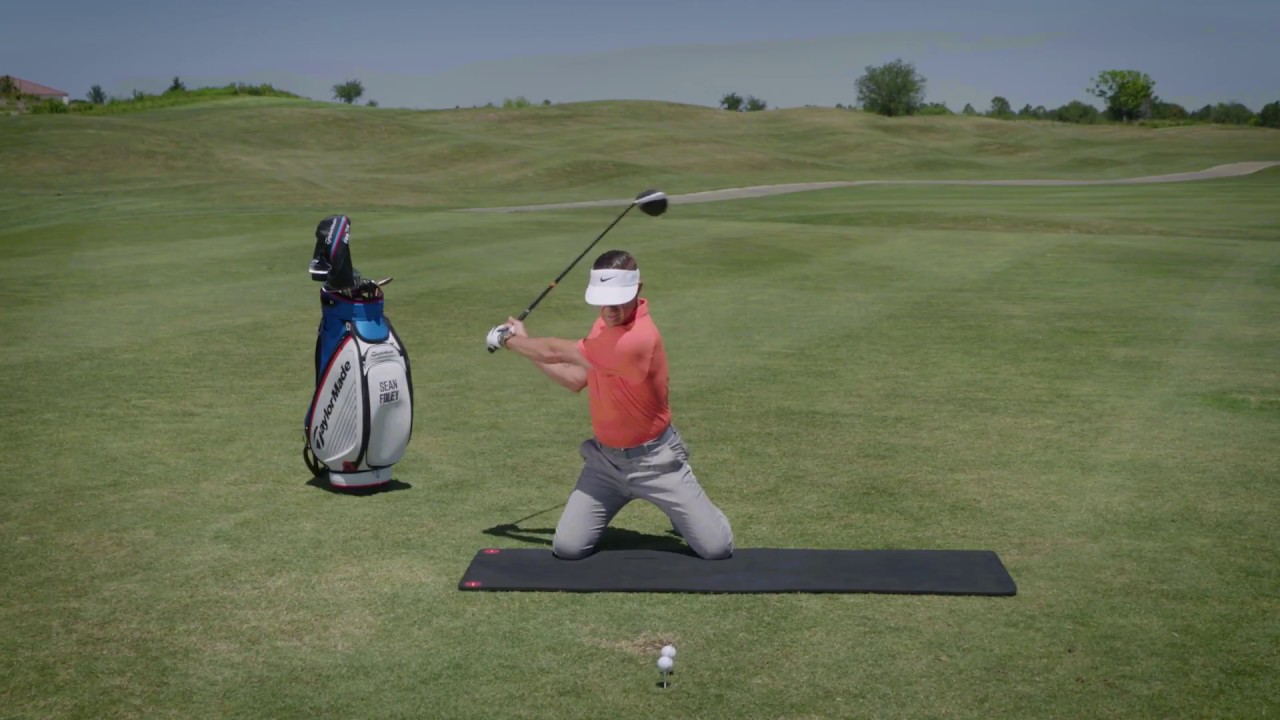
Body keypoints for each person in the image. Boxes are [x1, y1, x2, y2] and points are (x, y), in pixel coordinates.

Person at [486, 249, 734, 560]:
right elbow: (574, 378)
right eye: (604, 300)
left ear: (638, 289)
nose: (610, 309)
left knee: (717, 548)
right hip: (605, 464)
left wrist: (507, 339)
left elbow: (554, 351)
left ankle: (688, 501)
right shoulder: (603, 326)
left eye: (618, 300)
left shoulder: (637, 339)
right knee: (567, 548)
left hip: (656, 461)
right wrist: (524, 343)